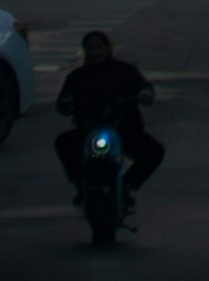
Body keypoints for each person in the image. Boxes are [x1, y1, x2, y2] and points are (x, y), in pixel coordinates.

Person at [55, 31, 163, 195]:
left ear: (107, 48)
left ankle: (128, 185)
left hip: (124, 128)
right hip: (89, 130)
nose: (95, 52)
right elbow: (63, 104)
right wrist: (66, 104)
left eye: (98, 47)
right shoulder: (76, 77)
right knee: (64, 143)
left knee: (154, 152)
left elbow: (145, 90)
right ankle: (80, 184)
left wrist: (145, 94)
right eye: (90, 48)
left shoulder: (125, 71)